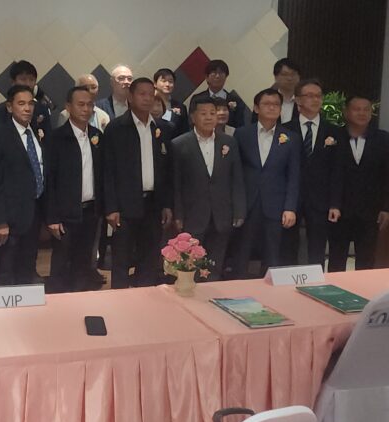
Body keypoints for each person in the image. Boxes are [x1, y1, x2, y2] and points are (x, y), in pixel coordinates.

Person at [102, 78, 173, 288]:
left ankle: (145, 299)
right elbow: (107, 171)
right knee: (122, 260)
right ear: (130, 97)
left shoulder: (162, 128)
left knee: (149, 258)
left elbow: (167, 171)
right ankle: (120, 301)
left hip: (153, 205)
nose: (147, 98)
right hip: (124, 206)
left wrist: (167, 204)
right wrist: (111, 207)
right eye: (142, 94)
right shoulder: (116, 128)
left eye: (151, 94)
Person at [172, 93, 245, 281]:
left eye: (212, 113)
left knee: (215, 264)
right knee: (190, 265)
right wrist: (178, 214)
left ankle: (213, 293)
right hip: (192, 214)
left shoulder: (228, 142)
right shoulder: (179, 144)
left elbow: (236, 178)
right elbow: (176, 184)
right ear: (193, 117)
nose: (209, 117)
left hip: (222, 213)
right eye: (203, 113)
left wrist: (239, 210)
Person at [234, 89, 300, 278]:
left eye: (276, 104)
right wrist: (236, 205)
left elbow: (294, 176)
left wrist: (290, 208)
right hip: (247, 203)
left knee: (273, 254)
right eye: (266, 104)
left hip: (276, 205)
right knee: (242, 251)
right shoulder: (242, 134)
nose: (272, 108)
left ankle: (270, 290)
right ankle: (236, 286)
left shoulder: (291, 138)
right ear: (256, 108)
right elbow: (236, 173)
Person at [45, 87, 104, 292]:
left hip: (91, 211)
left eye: (89, 104)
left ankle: (81, 301)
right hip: (64, 214)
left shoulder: (97, 136)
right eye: (80, 104)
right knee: (62, 263)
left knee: (84, 262)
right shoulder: (56, 138)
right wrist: (52, 217)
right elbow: (50, 180)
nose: (86, 109)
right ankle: (59, 304)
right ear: (68, 107)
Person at [0, 84, 45, 286]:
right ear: (10, 107)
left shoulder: (37, 132)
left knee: (27, 271)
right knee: (7, 273)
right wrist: (0, 221)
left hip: (34, 214)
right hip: (9, 220)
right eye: (21, 103)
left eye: (30, 104)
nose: (27, 108)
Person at [329, 95, 389, 272]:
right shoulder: (334, 136)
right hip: (340, 209)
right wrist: (333, 203)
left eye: (366, 109)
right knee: (336, 258)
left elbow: (388, 175)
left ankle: (362, 288)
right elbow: (331, 174)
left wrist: (387, 208)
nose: (362, 113)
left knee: (366, 259)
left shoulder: (382, 138)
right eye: (357, 109)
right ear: (346, 112)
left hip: (370, 210)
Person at [282, 79, 342, 267]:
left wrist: (335, 203)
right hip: (291, 199)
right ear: (298, 100)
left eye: (318, 96)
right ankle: (288, 279)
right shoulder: (285, 130)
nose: (315, 100)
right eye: (309, 96)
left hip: (320, 199)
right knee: (287, 246)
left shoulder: (334, 131)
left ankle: (317, 280)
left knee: (317, 247)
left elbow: (337, 171)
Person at [0, 60, 52, 138]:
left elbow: (49, 139)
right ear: (13, 82)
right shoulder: (1, 110)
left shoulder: (42, 109)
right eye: (23, 79)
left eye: (31, 80)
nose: (28, 84)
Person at [191, 59, 250, 128]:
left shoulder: (236, 100)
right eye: (214, 73)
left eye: (221, 73)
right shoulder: (197, 99)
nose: (217, 76)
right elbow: (192, 123)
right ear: (207, 77)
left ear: (226, 77)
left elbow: (239, 126)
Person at [153, 68, 189, 135]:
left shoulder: (181, 107)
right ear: (155, 84)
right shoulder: (148, 104)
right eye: (163, 81)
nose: (167, 84)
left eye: (170, 81)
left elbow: (185, 132)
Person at [271, 58, 301, 123]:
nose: (289, 78)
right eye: (285, 74)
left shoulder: (304, 100)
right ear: (276, 77)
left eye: (293, 74)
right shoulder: (265, 99)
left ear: (299, 77)